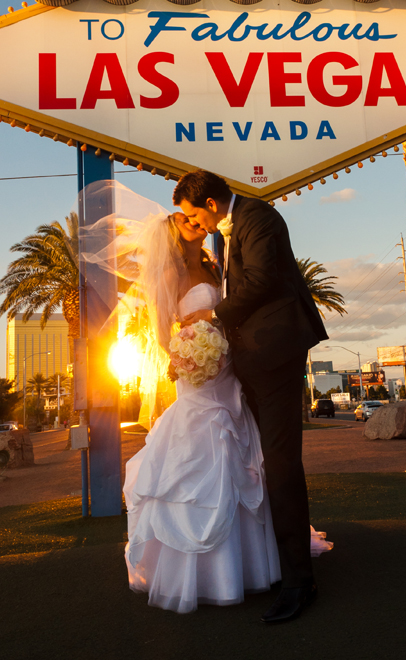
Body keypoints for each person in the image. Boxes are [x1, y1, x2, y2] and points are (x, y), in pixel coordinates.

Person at [173, 169, 329, 624]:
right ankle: (280, 565)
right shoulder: (228, 230)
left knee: (280, 465)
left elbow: (260, 279)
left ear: (211, 204)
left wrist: (213, 314)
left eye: (192, 213)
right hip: (252, 359)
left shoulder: (257, 216)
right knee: (265, 462)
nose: (193, 223)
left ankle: (301, 583)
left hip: (275, 353)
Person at [121, 208, 282, 614]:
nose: (190, 220)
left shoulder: (214, 264)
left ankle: (246, 568)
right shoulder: (167, 275)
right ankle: (204, 576)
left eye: (191, 216)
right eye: (181, 219)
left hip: (229, 368)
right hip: (197, 374)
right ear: (172, 234)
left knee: (239, 451)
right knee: (204, 455)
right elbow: (161, 333)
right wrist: (190, 357)